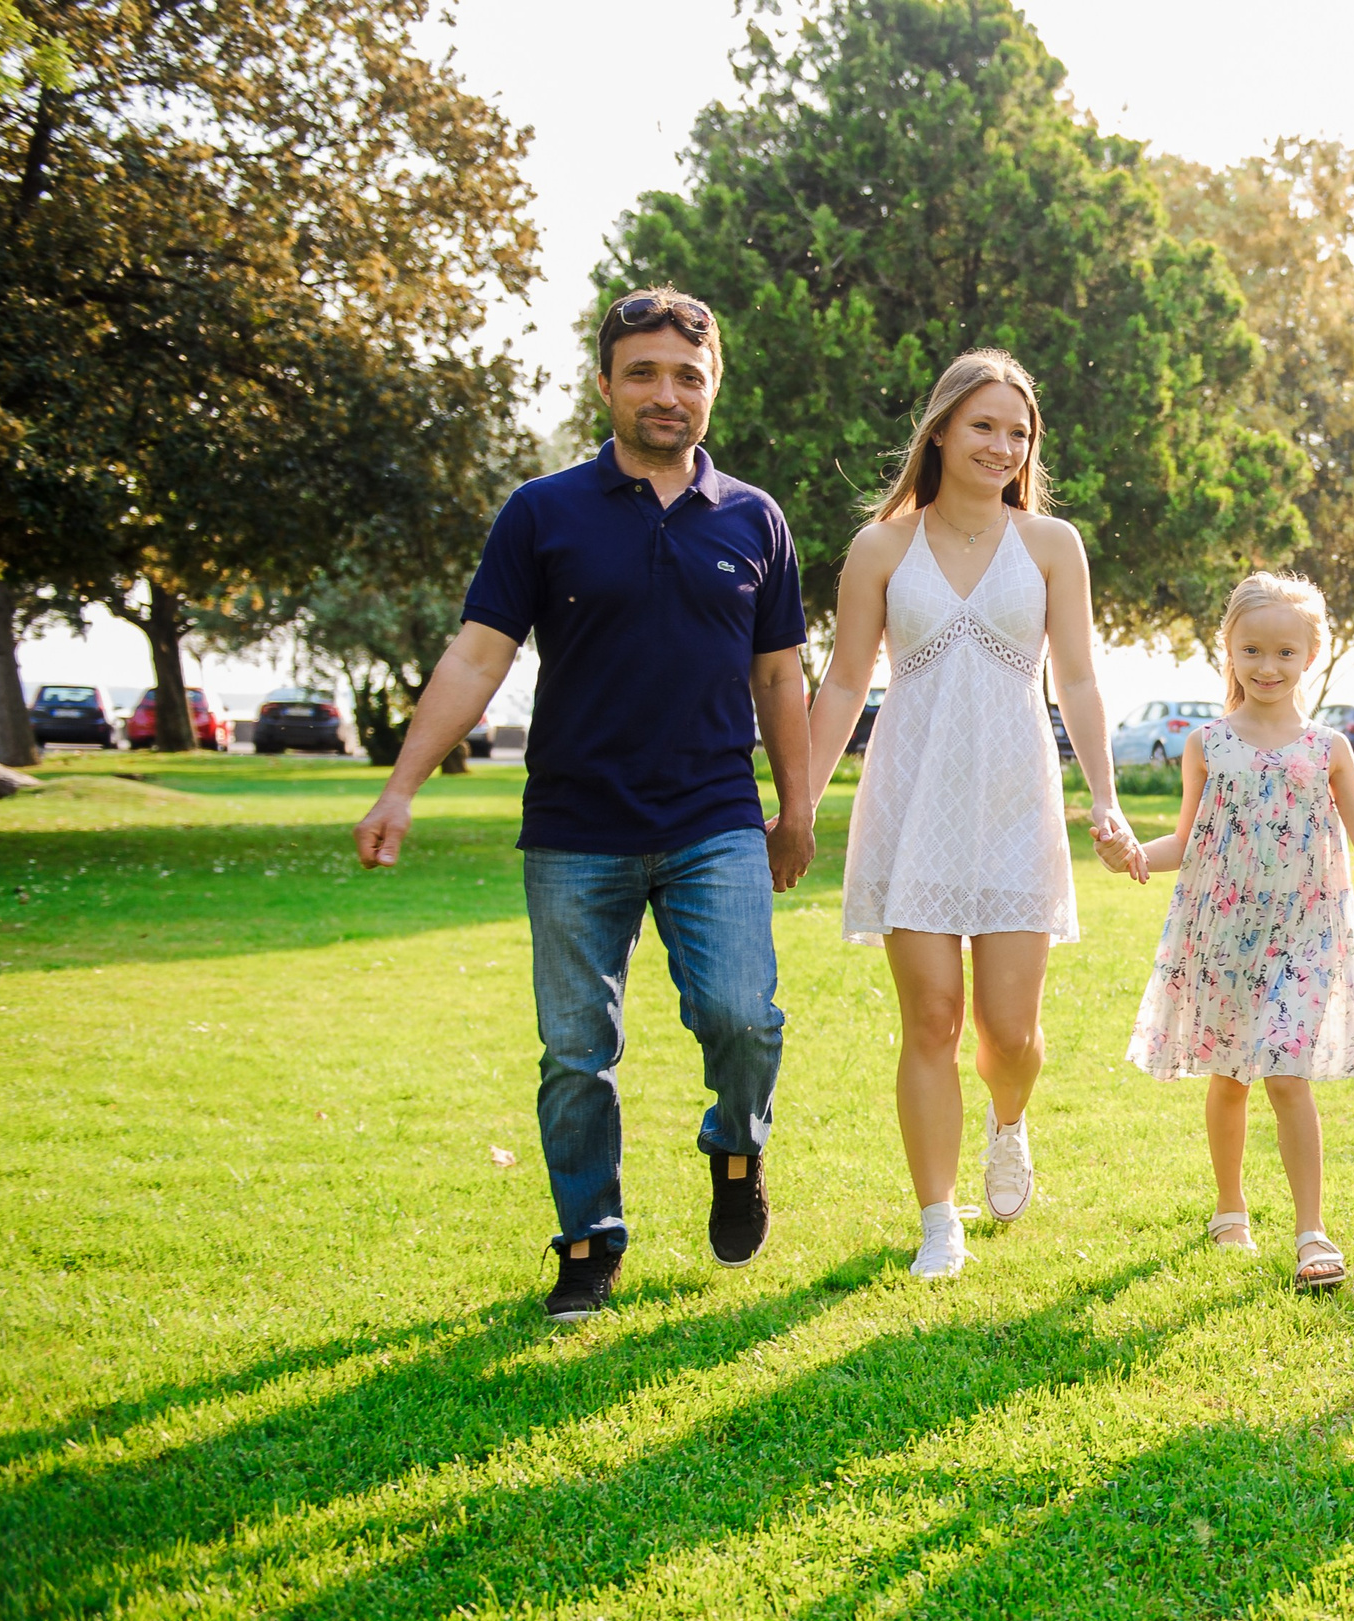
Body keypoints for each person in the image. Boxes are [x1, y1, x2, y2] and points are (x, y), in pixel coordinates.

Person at [350, 287, 814, 1322]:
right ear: (605, 384)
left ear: (713, 388)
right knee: (575, 1055)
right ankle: (588, 1239)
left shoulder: (754, 519)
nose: (666, 393)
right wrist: (400, 787)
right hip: (575, 828)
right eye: (643, 373)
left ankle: (737, 1153)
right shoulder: (542, 511)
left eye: (687, 376)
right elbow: (478, 656)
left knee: (742, 1018)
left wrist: (797, 810)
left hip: (713, 820)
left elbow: (780, 676)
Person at [802, 349, 1135, 1280]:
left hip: (1015, 804)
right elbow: (843, 685)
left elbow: (1077, 679)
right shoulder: (880, 549)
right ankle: (937, 1219)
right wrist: (799, 806)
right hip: (911, 804)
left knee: (1009, 1034)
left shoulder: (1051, 545)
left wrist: (1105, 798)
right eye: (984, 425)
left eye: (1018, 432)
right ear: (942, 430)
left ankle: (1009, 1120)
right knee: (932, 1021)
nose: (1002, 446)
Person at [1106, 573, 1354, 1289]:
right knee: (1230, 1076)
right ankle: (1230, 1208)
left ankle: (1311, 1231)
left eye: (1285, 653)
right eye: (1252, 651)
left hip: (1305, 937)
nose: (1267, 667)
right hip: (1224, 935)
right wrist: (1133, 854)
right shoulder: (1207, 744)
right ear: (1229, 651)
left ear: (1311, 655)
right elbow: (1186, 842)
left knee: (1288, 1077)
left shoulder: (1328, 749)